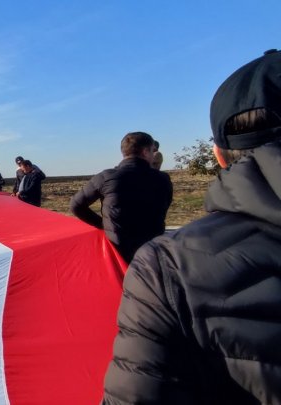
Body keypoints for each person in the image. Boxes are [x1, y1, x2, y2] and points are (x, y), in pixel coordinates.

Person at [103, 49, 281, 404]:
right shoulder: (162, 182)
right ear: (147, 151)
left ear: (218, 154)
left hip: (138, 256)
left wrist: (104, 230)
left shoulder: (171, 267)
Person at [70, 132, 172, 264]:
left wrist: (103, 225)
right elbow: (165, 205)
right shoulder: (163, 179)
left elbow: (75, 205)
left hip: (117, 250)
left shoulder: (106, 177)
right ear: (146, 152)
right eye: (153, 150)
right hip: (151, 250)